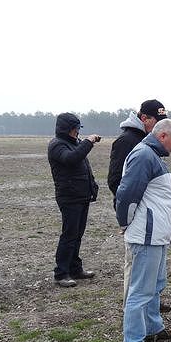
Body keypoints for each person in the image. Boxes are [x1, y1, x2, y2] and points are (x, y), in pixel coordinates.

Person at [115, 118, 171, 342]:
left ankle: (154, 328)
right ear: (162, 136)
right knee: (141, 290)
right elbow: (126, 194)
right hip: (146, 237)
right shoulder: (143, 156)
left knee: (155, 286)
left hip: (157, 236)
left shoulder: (152, 157)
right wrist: (125, 223)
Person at [109, 99, 171, 314]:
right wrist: (128, 215)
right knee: (135, 269)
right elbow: (117, 182)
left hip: (148, 219)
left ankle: (147, 308)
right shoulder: (128, 142)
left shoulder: (151, 143)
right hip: (138, 219)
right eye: (156, 121)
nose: (159, 127)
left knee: (148, 273)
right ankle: (132, 313)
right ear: (144, 118)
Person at [47, 112, 101, 287]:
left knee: (77, 234)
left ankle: (75, 268)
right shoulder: (57, 145)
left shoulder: (72, 144)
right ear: (67, 129)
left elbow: (82, 165)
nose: (78, 132)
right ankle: (61, 273)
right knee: (69, 235)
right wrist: (89, 142)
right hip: (69, 197)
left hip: (81, 196)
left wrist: (92, 187)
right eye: (76, 129)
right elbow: (72, 159)